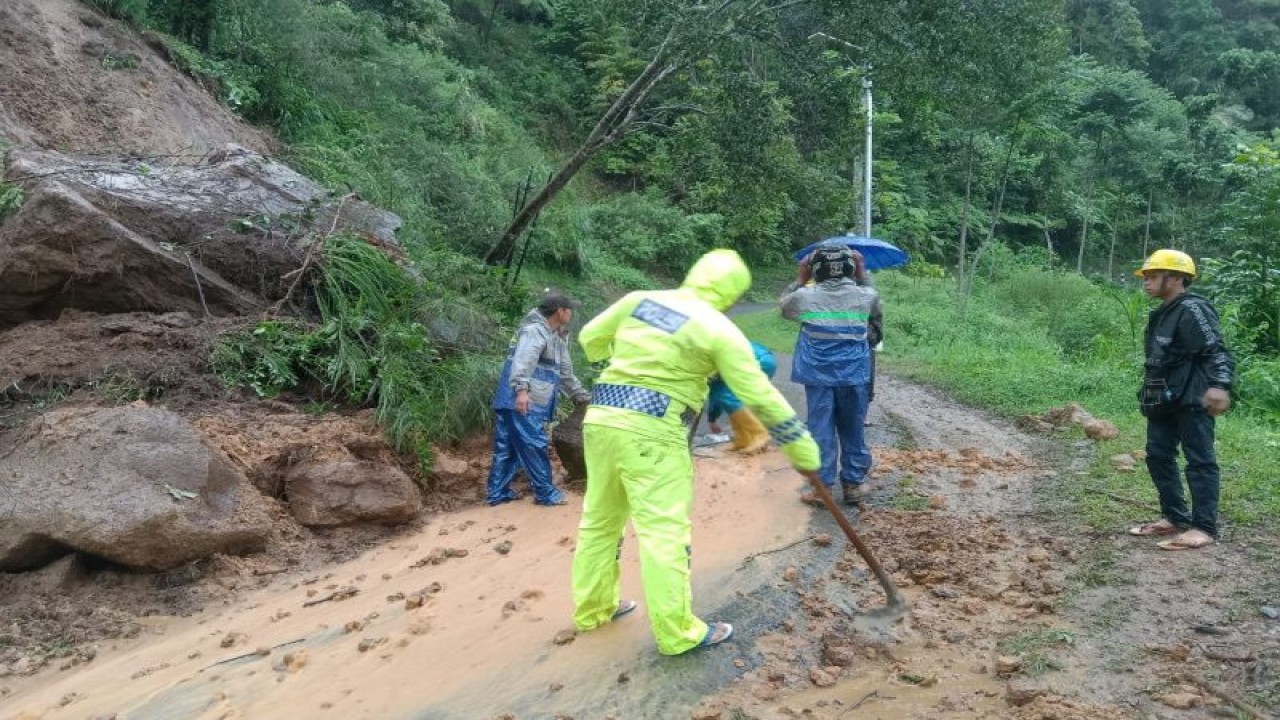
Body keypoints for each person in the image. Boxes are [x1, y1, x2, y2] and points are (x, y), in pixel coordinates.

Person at [571, 249, 821, 655]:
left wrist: (625, 364)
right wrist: (802, 448)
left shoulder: (639, 300)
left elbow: (589, 339)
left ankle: (593, 610)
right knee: (664, 534)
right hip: (653, 429)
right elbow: (760, 395)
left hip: (601, 418)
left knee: (599, 521)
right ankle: (677, 633)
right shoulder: (719, 330)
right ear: (732, 294)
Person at [1127, 249, 1234, 551]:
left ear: (1175, 278)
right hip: (1163, 397)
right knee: (1158, 455)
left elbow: (1216, 351)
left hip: (1191, 397)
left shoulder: (1192, 310)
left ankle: (1203, 528)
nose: (1146, 282)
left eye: (1152, 276)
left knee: (1199, 461)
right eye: (1145, 277)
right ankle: (1175, 517)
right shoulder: (1164, 311)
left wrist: (1219, 385)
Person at [779, 242, 883, 508]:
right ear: (850, 269)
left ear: (817, 271)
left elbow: (784, 308)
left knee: (820, 429)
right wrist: (862, 271)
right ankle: (853, 486)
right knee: (853, 428)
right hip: (854, 375)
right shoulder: (866, 296)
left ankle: (822, 488)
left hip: (818, 376)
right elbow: (874, 312)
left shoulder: (804, 297)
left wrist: (800, 279)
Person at [485, 291, 590, 507]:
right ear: (560, 311)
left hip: (516, 399)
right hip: (523, 400)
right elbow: (522, 362)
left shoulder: (554, 334)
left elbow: (564, 372)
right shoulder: (535, 331)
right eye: (569, 309)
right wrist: (522, 392)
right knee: (534, 443)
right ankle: (545, 493)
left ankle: (498, 493)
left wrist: (579, 394)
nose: (571, 313)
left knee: (508, 447)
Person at [706, 340, 777, 454]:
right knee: (732, 398)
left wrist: (712, 419)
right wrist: (712, 419)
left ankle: (760, 433)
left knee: (726, 396)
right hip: (759, 357)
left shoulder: (704, 368)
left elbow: (716, 394)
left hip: (757, 361)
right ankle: (743, 439)